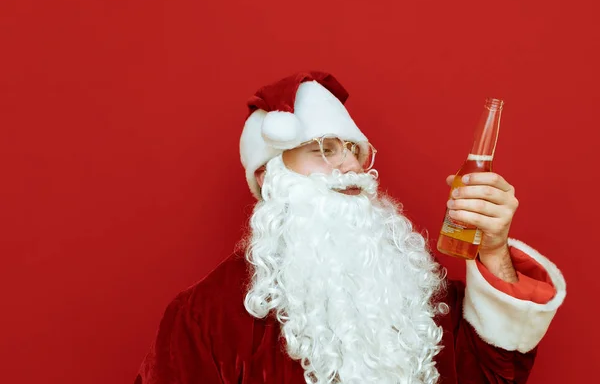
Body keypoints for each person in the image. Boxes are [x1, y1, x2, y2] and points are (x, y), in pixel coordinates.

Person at [135, 71, 566, 384]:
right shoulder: (202, 318)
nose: (349, 166)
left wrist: (493, 250)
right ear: (269, 178)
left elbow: (497, 375)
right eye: (323, 148)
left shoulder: (415, 296)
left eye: (354, 150)